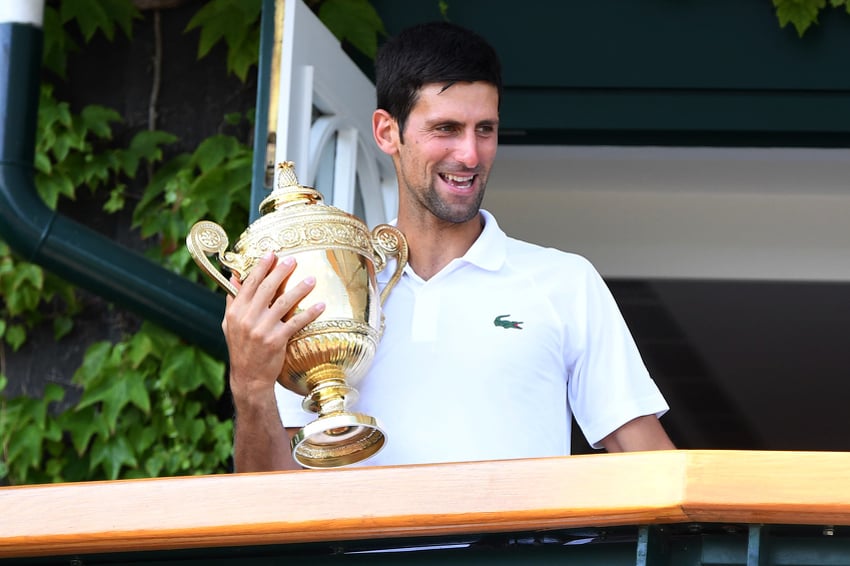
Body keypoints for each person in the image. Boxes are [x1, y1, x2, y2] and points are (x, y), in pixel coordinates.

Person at [222, 21, 675, 472]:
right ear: (386, 132)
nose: (471, 155)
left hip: (518, 548)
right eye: (446, 128)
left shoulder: (565, 282)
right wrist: (249, 384)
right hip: (356, 547)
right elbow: (269, 500)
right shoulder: (323, 288)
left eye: (485, 129)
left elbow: (649, 464)